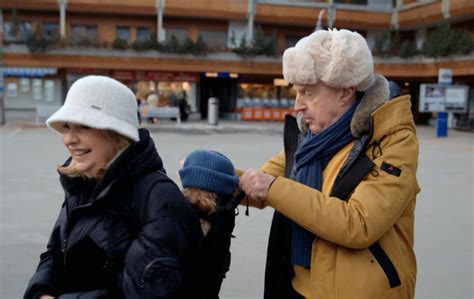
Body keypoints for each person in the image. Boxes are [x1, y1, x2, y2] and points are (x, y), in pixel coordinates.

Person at [239, 29, 420, 299]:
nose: (298, 105)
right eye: (296, 93)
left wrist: (273, 188)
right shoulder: (309, 140)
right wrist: (215, 178)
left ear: (345, 93)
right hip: (298, 289)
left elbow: (359, 224)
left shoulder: (394, 141)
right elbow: (262, 183)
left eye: (309, 94)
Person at [23, 75, 203, 299]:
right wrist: (41, 292)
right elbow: (54, 253)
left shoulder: (159, 199)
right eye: (66, 126)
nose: (69, 139)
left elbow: (143, 293)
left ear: (117, 133)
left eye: (84, 126)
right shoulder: (82, 183)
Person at [178, 150, 240, 299]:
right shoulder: (226, 211)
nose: (194, 199)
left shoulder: (214, 220)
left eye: (202, 194)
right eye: (190, 191)